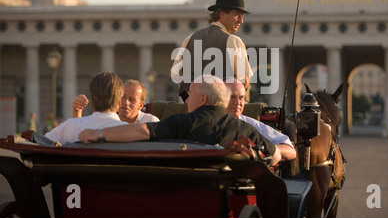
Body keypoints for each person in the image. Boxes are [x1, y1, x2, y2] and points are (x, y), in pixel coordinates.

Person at [79, 75, 281, 166]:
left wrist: (97, 134)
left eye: (190, 94)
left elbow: (142, 132)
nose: (187, 99)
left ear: (202, 98)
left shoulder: (181, 122)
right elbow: (275, 156)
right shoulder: (245, 129)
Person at [171, 0, 254, 102]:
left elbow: (176, 75)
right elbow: (244, 81)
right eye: (237, 15)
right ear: (221, 14)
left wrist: (192, 101)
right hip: (224, 110)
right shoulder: (234, 41)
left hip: (195, 109)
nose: (241, 21)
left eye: (242, 16)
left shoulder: (190, 38)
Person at [45, 71, 127, 144]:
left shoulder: (69, 127)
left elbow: (41, 142)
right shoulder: (128, 132)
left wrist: (76, 119)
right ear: (120, 102)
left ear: (91, 100)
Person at [225, 79, 296, 161]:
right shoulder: (210, 122)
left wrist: (268, 150)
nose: (237, 102)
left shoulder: (251, 125)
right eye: (232, 97)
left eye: (241, 98)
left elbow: (290, 150)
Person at [72, 79, 159, 124]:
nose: (125, 102)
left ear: (141, 105)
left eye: (132, 99)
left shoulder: (151, 122)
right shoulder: (107, 118)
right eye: (123, 97)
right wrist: (77, 111)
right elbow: (78, 134)